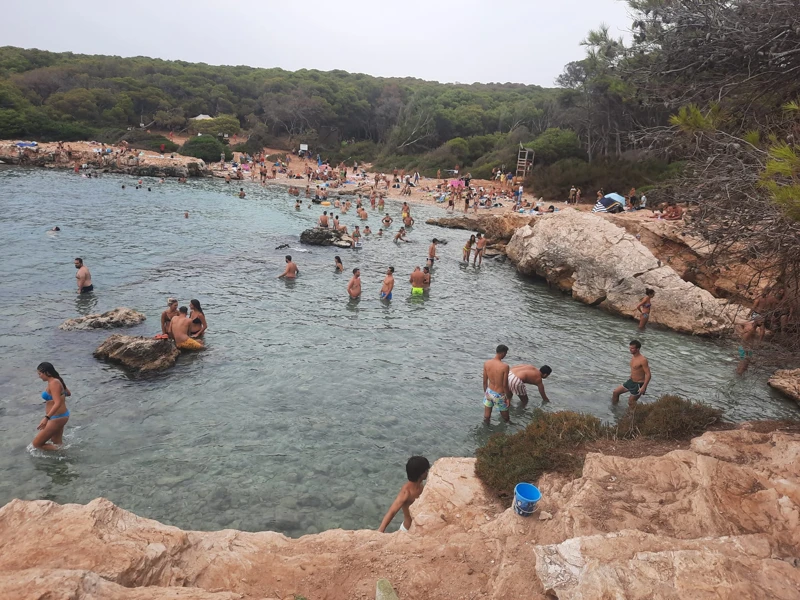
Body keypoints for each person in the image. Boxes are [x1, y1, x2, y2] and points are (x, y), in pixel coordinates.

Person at [378, 456, 430, 533]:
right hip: (407, 530)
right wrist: (380, 530)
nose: (427, 472)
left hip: (418, 527)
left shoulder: (420, 484)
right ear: (420, 474)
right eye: (426, 470)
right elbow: (392, 512)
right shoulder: (406, 492)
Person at [33, 362, 71, 451]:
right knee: (56, 442)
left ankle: (68, 452)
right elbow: (68, 393)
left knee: (36, 444)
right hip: (61, 416)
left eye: (40, 374)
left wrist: (46, 418)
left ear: (47, 373)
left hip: (57, 418)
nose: (39, 376)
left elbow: (57, 403)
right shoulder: (56, 380)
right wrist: (59, 394)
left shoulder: (54, 383)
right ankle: (64, 459)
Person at [612, 340, 651, 405]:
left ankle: (632, 414)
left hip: (638, 384)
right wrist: (631, 376)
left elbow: (648, 374)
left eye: (632, 348)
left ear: (638, 349)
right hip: (631, 381)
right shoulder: (633, 357)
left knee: (631, 402)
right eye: (630, 348)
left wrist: (643, 387)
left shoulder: (643, 360)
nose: (630, 350)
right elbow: (635, 369)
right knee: (615, 392)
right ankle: (614, 410)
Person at [483, 345, 511, 424]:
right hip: (499, 395)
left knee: (487, 417)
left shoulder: (486, 363)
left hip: (489, 392)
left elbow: (484, 381)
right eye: (505, 354)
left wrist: (486, 393)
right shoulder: (505, 367)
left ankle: (486, 432)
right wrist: (508, 398)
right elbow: (505, 385)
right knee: (506, 418)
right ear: (502, 353)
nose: (505, 356)